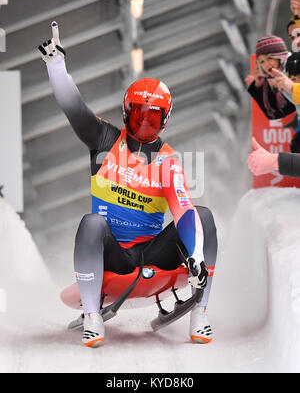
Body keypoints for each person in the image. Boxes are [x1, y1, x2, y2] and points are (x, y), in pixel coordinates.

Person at [38, 22, 218, 348]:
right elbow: (75, 110)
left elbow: (184, 211)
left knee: (203, 216)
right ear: (126, 114)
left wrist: (195, 255)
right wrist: (57, 68)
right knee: (91, 223)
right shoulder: (104, 139)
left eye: (153, 117)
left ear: (164, 120)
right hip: (114, 255)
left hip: (153, 254)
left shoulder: (168, 160)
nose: (145, 123)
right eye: (139, 116)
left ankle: (200, 313)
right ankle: (93, 317)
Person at [244, 35, 296, 122]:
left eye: (270, 58)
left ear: (280, 56)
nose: (266, 64)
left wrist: (291, 87)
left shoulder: (294, 66)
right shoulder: (275, 77)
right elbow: (275, 114)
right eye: (262, 61)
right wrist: (259, 85)